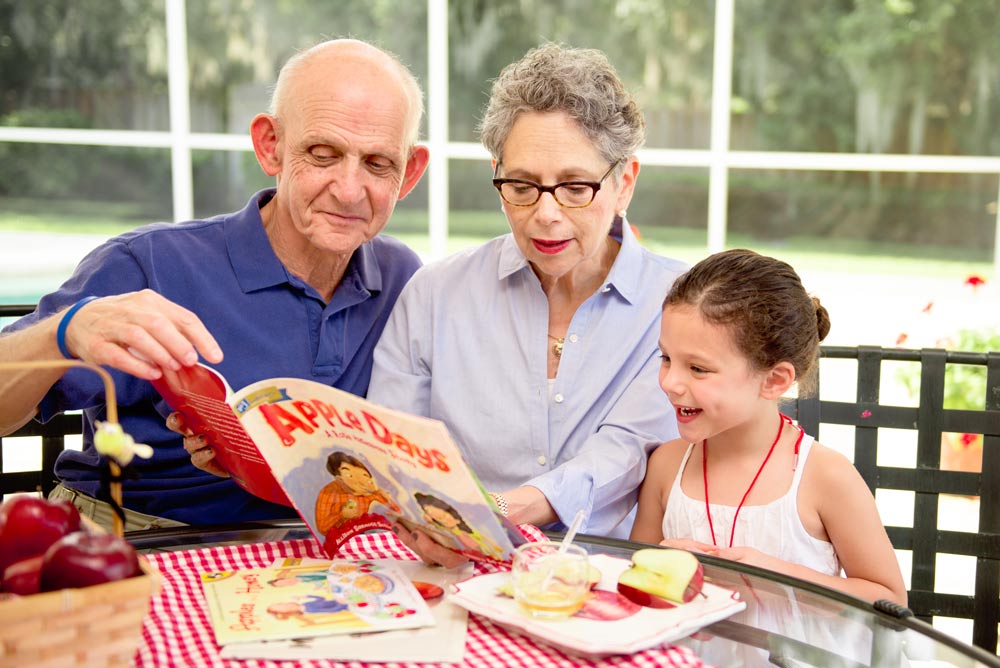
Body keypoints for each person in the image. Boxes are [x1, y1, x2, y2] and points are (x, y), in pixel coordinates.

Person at [0, 39, 430, 530]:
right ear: (272, 146)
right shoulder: (150, 264)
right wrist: (63, 331)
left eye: (378, 164)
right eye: (323, 154)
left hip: (311, 547)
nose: (350, 190)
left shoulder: (403, 278)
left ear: (409, 172)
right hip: (135, 534)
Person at [368, 42, 687, 559]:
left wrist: (503, 510)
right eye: (521, 185)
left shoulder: (681, 305)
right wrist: (430, 522)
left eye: (574, 187)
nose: (546, 214)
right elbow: (394, 447)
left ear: (624, 182)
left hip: (610, 577)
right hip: (458, 563)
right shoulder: (434, 295)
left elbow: (629, 448)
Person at [631, 248, 907, 605]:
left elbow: (890, 601)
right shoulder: (667, 465)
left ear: (774, 380)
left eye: (698, 368)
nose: (670, 382)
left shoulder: (825, 476)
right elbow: (635, 578)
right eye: (667, 358)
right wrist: (658, 564)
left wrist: (776, 577)